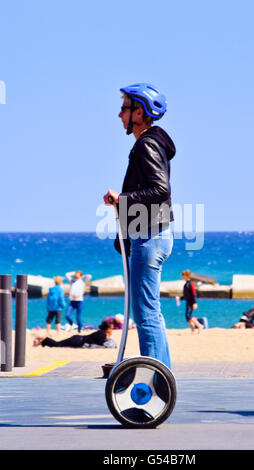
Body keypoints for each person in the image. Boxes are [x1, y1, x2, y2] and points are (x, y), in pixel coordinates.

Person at [104, 83, 175, 369]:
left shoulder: (146, 145)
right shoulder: (149, 144)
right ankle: (162, 378)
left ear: (139, 112)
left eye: (124, 108)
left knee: (146, 314)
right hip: (146, 236)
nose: (119, 114)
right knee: (150, 313)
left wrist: (121, 199)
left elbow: (160, 190)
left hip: (150, 237)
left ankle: (157, 382)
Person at [33, 320, 116, 349]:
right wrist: (108, 337)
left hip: (78, 339)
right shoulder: (101, 334)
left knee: (59, 344)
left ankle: (41, 342)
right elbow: (102, 345)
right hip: (77, 341)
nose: (112, 330)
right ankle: (41, 337)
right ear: (107, 329)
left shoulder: (101, 333)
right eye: (111, 328)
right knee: (58, 344)